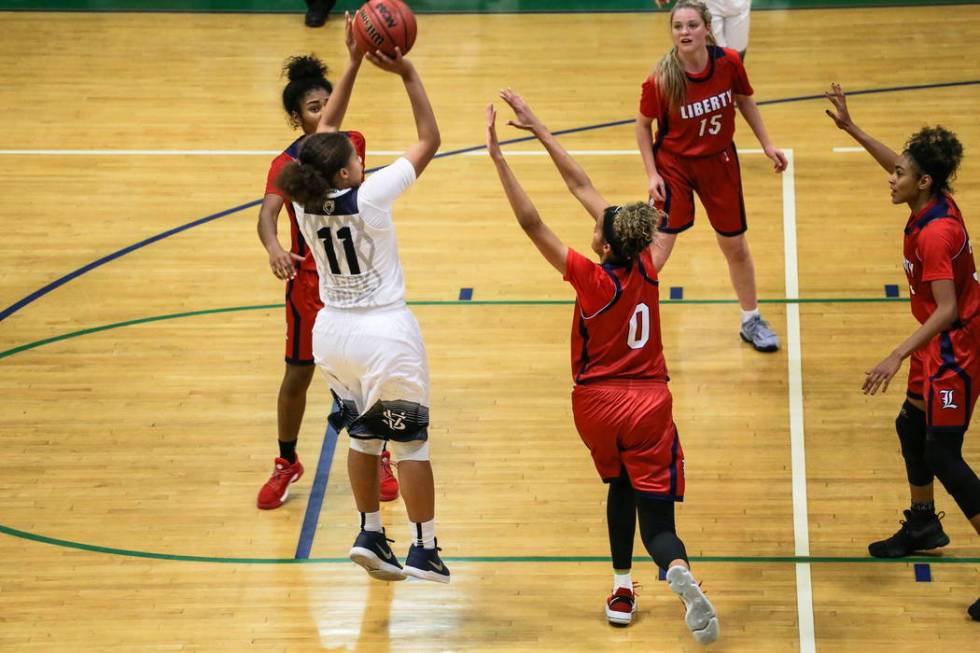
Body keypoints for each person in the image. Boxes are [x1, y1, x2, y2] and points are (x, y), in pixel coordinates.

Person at [487, 89, 718, 644]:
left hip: (595, 402)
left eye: (597, 224)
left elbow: (534, 220)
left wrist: (500, 157)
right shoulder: (651, 262)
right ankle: (675, 568)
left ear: (603, 240)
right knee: (658, 520)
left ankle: (621, 587)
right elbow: (584, 187)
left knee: (618, 486)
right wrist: (540, 127)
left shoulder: (593, 280)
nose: (592, 221)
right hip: (649, 403)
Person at [276, 44, 449, 584]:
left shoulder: (302, 199)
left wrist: (351, 62)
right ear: (349, 171)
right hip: (382, 332)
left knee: (361, 439)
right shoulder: (368, 197)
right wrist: (407, 72)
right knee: (412, 444)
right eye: (353, 154)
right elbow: (430, 140)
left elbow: (319, 139)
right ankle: (424, 548)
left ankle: (370, 531)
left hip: (332, 334)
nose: (359, 154)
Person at [825, 83, 980, 622]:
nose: (891, 178)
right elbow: (900, 162)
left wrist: (894, 355)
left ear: (923, 183)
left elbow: (946, 307)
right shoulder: (929, 197)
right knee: (910, 428)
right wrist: (853, 129)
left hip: (954, 347)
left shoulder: (936, 233)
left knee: (943, 453)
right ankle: (922, 523)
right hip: (936, 347)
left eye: (900, 175)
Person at [256, 17, 398, 510]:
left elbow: (334, 130)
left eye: (325, 105)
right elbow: (266, 217)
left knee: (365, 374)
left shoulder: (349, 144)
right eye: (312, 109)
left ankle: (378, 451)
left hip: (357, 281)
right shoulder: (285, 165)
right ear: (298, 118)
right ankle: (286, 460)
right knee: (297, 374)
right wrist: (274, 247)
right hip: (310, 285)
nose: (322, 115)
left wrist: (354, 61)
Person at [636, 0, 785, 353]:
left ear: (706, 28)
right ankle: (628, 317)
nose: (684, 32)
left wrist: (767, 144)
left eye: (691, 25)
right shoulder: (660, 78)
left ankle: (751, 319)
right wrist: (651, 173)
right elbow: (642, 127)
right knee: (658, 250)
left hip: (719, 161)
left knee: (735, 246)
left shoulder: (729, 62)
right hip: (674, 166)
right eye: (678, 27)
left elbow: (745, 100)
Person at [655, 0, 752, 60]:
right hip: (707, 4)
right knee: (716, 55)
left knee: (737, 55)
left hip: (738, 5)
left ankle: (733, 89)